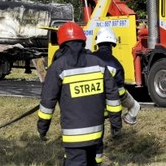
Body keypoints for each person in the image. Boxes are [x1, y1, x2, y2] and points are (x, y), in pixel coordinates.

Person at [37, 22, 122, 165]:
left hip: (74, 137)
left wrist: (42, 128)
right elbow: (113, 96)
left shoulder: (58, 67)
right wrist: (116, 124)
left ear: (61, 42)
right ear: (83, 40)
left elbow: (47, 102)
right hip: (96, 133)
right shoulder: (99, 64)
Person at [93, 27, 141, 165]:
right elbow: (119, 94)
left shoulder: (88, 58)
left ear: (98, 42)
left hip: (82, 106)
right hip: (102, 109)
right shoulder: (116, 65)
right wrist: (131, 106)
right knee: (97, 139)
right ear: (113, 44)